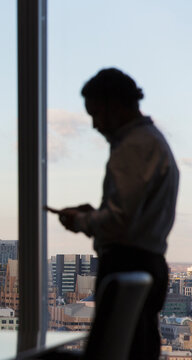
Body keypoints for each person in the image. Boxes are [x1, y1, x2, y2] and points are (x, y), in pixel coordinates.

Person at [58, 68, 179, 360]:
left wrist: (81, 221)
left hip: (125, 261)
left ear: (115, 105)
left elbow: (120, 221)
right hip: (148, 262)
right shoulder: (153, 141)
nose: (94, 124)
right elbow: (132, 215)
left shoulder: (133, 148)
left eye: (96, 113)